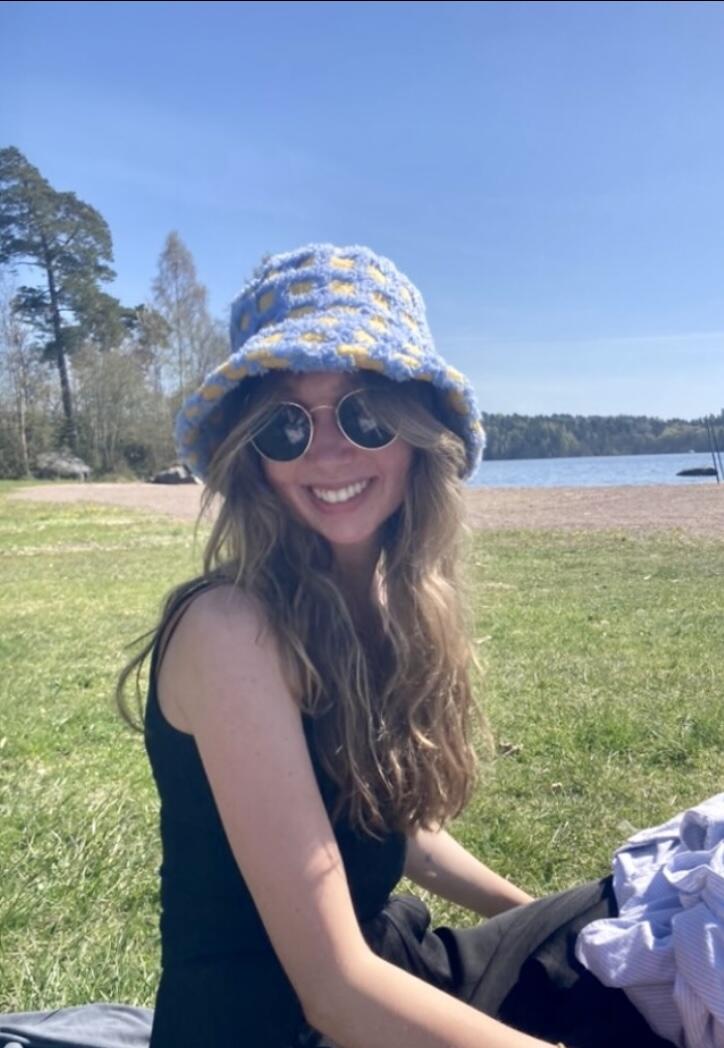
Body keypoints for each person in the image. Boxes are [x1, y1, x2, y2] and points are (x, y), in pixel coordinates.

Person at [116, 243, 671, 1048]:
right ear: (251, 456)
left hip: (391, 967)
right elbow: (334, 992)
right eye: (285, 425)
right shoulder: (231, 631)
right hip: (280, 1026)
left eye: (364, 414)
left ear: (416, 432)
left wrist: (546, 927)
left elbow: (390, 827)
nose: (328, 452)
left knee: (641, 922)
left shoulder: (376, 604)